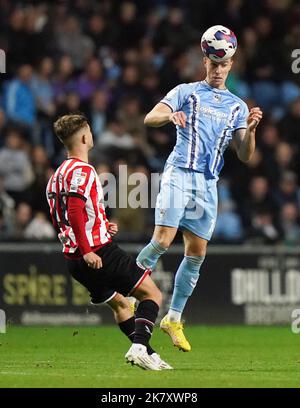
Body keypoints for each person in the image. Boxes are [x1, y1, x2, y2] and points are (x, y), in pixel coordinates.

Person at [137, 41, 263, 352]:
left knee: (196, 254)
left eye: (224, 65)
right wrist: (170, 116)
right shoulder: (186, 91)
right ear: (204, 61)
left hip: (207, 184)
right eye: (213, 64)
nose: (218, 70)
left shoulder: (237, 106)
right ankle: (125, 281)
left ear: (231, 65)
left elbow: (245, 155)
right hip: (179, 172)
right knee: (164, 240)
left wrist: (251, 129)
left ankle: (173, 318)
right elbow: (149, 118)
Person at [46, 113, 172, 370]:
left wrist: (101, 226)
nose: (92, 135)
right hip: (96, 253)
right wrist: (88, 248)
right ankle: (138, 348)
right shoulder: (83, 170)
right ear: (84, 136)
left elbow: (63, 217)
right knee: (152, 294)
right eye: (90, 131)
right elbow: (74, 210)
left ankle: (148, 354)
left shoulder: (57, 175)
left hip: (73, 259)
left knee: (120, 303)